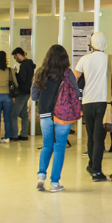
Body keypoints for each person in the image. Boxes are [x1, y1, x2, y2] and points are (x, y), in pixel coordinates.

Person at [74, 32, 112, 182]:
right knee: (99, 138)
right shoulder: (110, 59)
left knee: (91, 135)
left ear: (92, 43)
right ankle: (97, 172)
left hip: (87, 102)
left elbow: (75, 77)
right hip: (103, 103)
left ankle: (91, 165)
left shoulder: (84, 59)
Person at [32, 45, 75, 192]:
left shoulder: (41, 73)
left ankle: (41, 176)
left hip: (45, 115)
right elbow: (75, 93)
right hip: (62, 115)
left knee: (47, 145)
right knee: (59, 148)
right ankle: (55, 183)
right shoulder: (67, 73)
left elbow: (33, 95)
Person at [10, 47, 35, 141]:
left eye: (15, 57)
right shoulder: (30, 64)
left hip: (22, 92)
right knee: (24, 114)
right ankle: (24, 134)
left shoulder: (24, 65)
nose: (16, 59)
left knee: (13, 114)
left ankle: (14, 135)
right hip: (27, 91)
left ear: (18, 55)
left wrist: (15, 74)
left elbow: (22, 79)